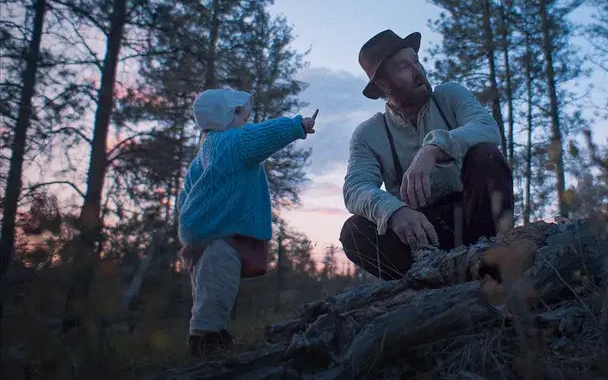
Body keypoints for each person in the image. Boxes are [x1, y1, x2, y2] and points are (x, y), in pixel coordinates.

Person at [340, 29, 514, 280]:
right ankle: (427, 283)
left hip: (475, 215)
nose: (418, 72)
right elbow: (355, 188)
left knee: (486, 156)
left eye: (416, 61)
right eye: (403, 67)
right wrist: (393, 211)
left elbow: (487, 128)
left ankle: (492, 269)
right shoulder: (368, 134)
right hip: (419, 233)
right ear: (381, 84)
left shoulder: (449, 95)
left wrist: (433, 149)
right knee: (354, 232)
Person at [176, 86, 318, 357]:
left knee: (207, 290)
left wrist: (188, 223)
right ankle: (206, 344)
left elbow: (185, 194)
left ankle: (212, 334)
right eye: (240, 114)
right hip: (219, 236)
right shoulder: (233, 142)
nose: (245, 120)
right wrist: (297, 125)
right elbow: (265, 134)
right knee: (217, 290)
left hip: (200, 236)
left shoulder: (204, 153)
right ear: (227, 116)